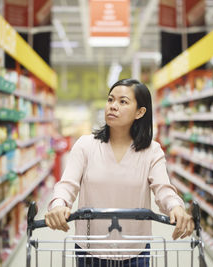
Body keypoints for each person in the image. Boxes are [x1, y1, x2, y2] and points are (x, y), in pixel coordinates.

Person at [45, 78, 194, 266]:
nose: (113, 106)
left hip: (134, 251)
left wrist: (176, 207)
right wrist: (59, 204)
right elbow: (66, 186)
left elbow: (163, 189)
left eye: (123, 102)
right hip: (90, 249)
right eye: (110, 100)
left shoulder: (151, 151)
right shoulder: (86, 145)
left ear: (140, 112)